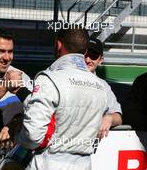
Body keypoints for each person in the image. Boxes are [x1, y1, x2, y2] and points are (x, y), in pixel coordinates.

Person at [15, 25, 109, 170]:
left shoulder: (49, 78)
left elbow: (33, 136)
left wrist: (17, 138)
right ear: (85, 51)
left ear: (58, 45)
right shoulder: (101, 86)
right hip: (84, 165)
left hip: (48, 163)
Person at [85, 38, 122, 139]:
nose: (88, 60)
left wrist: (109, 118)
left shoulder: (104, 86)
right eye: (85, 54)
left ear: (101, 60)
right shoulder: (66, 78)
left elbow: (118, 117)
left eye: (93, 56)